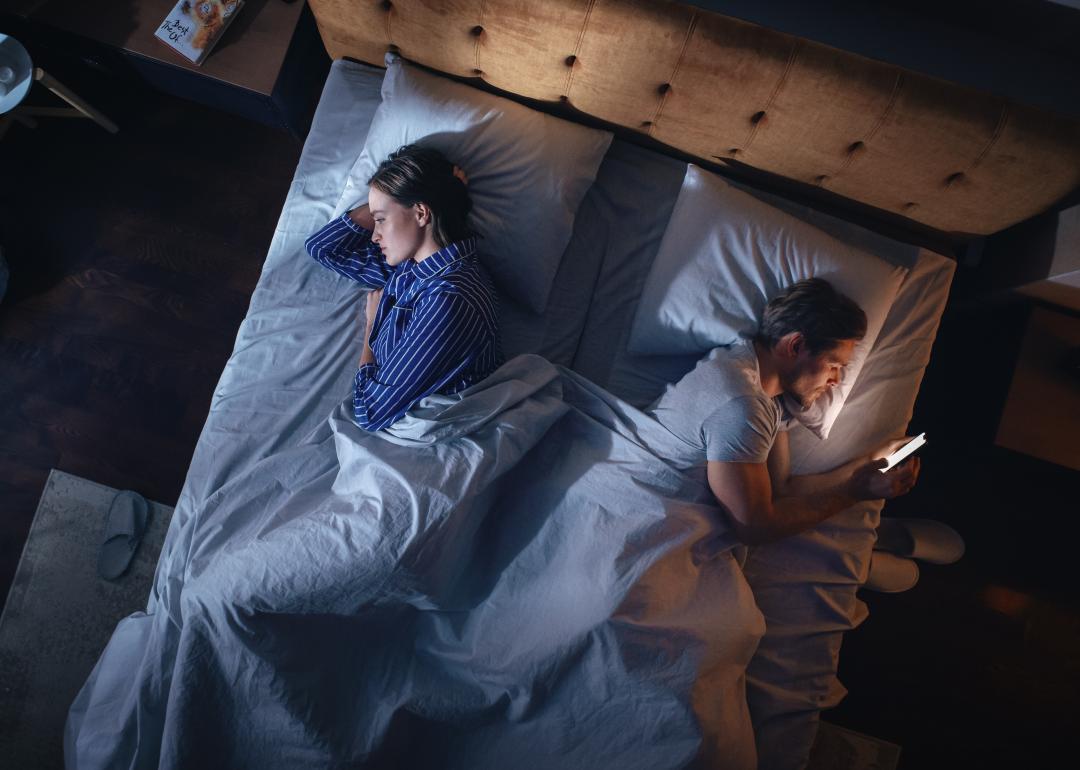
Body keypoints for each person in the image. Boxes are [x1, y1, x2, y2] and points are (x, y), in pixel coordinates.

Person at [648, 278, 920, 545]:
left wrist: (871, 460)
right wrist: (853, 493)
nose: (836, 380)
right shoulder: (743, 405)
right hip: (647, 506)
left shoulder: (766, 395)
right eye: (833, 364)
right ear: (796, 346)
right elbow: (755, 527)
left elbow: (783, 489)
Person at [305, 144, 499, 431]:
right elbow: (323, 248)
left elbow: (369, 412)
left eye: (380, 220)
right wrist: (384, 201)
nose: (374, 235)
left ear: (421, 213)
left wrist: (370, 329)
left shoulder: (447, 300)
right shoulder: (412, 267)